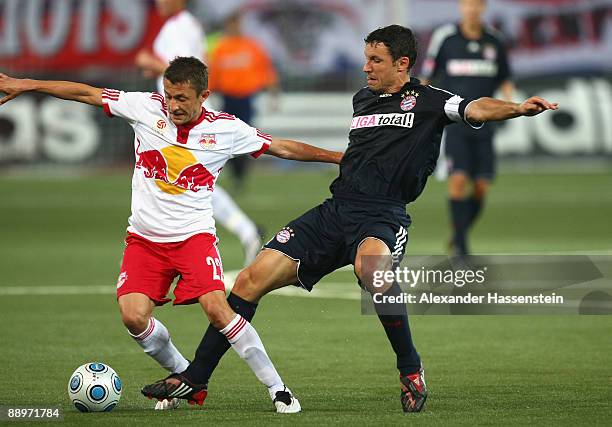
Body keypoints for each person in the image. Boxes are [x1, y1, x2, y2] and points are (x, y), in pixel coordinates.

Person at [141, 25, 557, 413]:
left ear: (402, 64)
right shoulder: (362, 99)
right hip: (336, 210)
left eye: (375, 60)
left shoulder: (430, 100)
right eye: (366, 58)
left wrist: (517, 108)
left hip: (382, 215)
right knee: (251, 280)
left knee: (373, 270)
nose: (366, 67)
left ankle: (410, 367)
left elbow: (477, 107)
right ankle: (196, 378)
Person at [0, 57, 343, 413]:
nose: (173, 105)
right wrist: (26, 84)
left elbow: (282, 147)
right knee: (133, 316)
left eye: (181, 98)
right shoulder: (145, 108)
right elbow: (86, 92)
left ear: (203, 95)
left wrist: (337, 157)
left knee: (217, 309)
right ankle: (184, 375)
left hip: (193, 239)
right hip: (144, 241)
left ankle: (278, 389)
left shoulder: (226, 129)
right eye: (169, 96)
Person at [136, 0, 264, 266]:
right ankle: (247, 231)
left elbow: (186, 74)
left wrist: (151, 62)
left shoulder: (180, 26)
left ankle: (245, 232)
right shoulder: (182, 25)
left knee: (193, 180)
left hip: (186, 116)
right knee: (192, 180)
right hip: (180, 115)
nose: (159, 2)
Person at [420, 0, 514, 257]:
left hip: (485, 124)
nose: (472, 9)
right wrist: (419, 104)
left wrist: (512, 105)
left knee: (482, 186)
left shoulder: (495, 40)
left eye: (477, 5)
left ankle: (458, 232)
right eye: (467, 4)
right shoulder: (446, 38)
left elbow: (505, 78)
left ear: (483, 8)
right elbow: (428, 75)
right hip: (455, 123)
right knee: (458, 180)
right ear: (461, 7)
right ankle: (461, 248)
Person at [207, 10, 279, 189]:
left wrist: (273, 93)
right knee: (226, 138)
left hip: (246, 98)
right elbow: (212, 75)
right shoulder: (220, 48)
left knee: (245, 137)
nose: (234, 27)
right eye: (232, 24)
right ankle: (233, 174)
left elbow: (266, 71)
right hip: (228, 97)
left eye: (237, 24)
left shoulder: (251, 46)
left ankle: (241, 176)